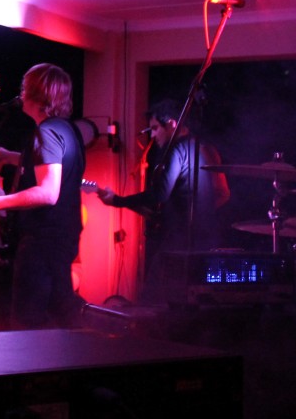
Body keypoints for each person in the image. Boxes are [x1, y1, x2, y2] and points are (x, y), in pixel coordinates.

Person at [0, 64, 85, 330]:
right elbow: (52, 167)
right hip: (61, 237)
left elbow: (48, 192)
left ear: (37, 92)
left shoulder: (46, 131)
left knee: (28, 324)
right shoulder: (68, 129)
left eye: (25, 86)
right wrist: (10, 157)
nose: (21, 92)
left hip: (41, 240)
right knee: (56, 320)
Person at [94, 98, 231, 301]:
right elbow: (222, 194)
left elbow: (159, 195)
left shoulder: (177, 149)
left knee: (154, 297)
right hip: (206, 240)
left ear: (172, 124)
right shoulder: (205, 149)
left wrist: (118, 200)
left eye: (155, 128)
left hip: (178, 241)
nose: (153, 135)